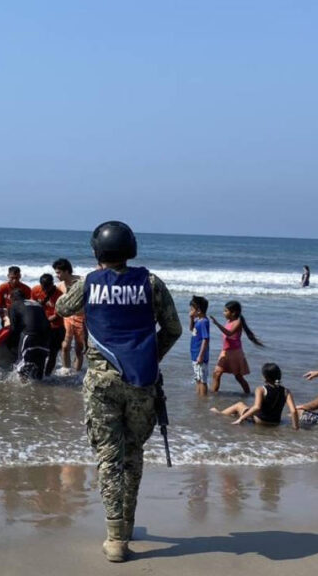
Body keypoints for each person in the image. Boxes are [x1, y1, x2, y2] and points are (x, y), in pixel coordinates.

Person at [55, 221, 181, 563]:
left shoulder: (89, 283)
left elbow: (62, 307)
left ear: (98, 251)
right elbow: (173, 328)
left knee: (109, 457)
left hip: (101, 383)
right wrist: (151, 356)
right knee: (133, 453)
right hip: (142, 381)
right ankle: (127, 525)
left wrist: (83, 282)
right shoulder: (151, 283)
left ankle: (115, 539)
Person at [210, 363, 299, 429]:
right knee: (247, 409)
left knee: (239, 405)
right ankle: (233, 415)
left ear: (265, 377)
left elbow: (257, 407)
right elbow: (293, 411)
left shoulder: (261, 389)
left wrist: (241, 419)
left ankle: (220, 414)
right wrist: (295, 427)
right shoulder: (286, 391)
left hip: (260, 421)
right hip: (275, 422)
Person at [210, 300, 263, 395]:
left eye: (226, 311)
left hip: (235, 353)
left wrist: (217, 324)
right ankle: (213, 395)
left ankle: (248, 394)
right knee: (217, 373)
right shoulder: (228, 321)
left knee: (238, 376)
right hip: (225, 352)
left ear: (233, 313)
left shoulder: (238, 322)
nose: (224, 313)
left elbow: (229, 333)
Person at [6, 290, 52, 381]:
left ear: (13, 298)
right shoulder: (36, 303)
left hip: (30, 335)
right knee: (39, 364)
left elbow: (13, 328)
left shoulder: (14, 305)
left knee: (22, 366)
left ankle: (22, 387)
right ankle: (40, 386)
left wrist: (10, 343)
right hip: (46, 336)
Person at [53, 258, 86, 371]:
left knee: (79, 349)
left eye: (59, 272)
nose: (57, 275)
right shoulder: (60, 286)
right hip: (67, 318)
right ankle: (66, 370)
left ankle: (77, 372)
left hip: (81, 319)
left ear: (66, 271)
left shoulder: (81, 282)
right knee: (65, 346)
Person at [31, 273, 64, 375]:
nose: (45, 290)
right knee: (39, 351)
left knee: (53, 353)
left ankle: (48, 375)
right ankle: (38, 373)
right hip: (41, 327)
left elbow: (58, 314)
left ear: (52, 284)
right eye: (43, 287)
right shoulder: (35, 290)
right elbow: (32, 306)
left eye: (47, 287)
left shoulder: (59, 295)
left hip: (56, 327)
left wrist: (44, 321)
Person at [189, 296, 211, 395]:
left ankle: (203, 399)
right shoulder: (198, 320)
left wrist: (201, 355)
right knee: (198, 378)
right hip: (195, 354)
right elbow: (191, 329)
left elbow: (205, 339)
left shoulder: (203, 322)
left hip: (199, 355)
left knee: (202, 380)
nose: (190, 311)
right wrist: (191, 318)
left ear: (198, 310)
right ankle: (199, 398)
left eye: (192, 309)